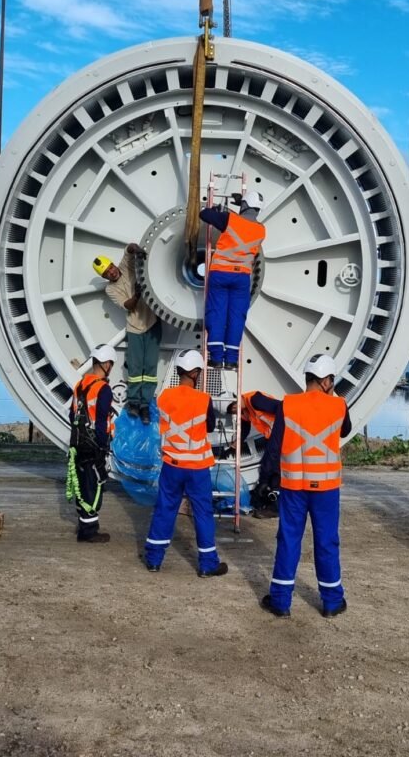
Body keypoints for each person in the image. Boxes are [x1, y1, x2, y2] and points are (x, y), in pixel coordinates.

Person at [259, 354, 351, 618]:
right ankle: (332, 602)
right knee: (327, 542)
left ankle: (280, 602)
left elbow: (274, 447)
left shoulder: (288, 404)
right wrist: (332, 398)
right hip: (326, 490)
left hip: (294, 487)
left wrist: (265, 480)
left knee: (288, 540)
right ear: (327, 381)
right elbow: (345, 430)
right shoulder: (339, 406)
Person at [144, 349, 228, 578]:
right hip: (197, 468)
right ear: (195, 373)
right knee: (202, 513)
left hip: (172, 464)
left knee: (165, 508)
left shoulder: (164, 397)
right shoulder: (203, 399)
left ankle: (153, 559)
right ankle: (207, 564)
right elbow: (209, 426)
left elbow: (163, 421)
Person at [93, 243, 161, 424]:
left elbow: (128, 250)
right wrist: (137, 295)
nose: (112, 272)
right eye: (107, 273)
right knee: (136, 368)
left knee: (150, 368)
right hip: (135, 328)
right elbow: (129, 305)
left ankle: (145, 405)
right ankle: (134, 403)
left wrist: (136, 249)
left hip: (152, 323)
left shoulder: (125, 267)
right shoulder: (110, 289)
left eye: (111, 268)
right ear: (104, 277)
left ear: (114, 265)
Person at [200, 190, 266, 370]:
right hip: (242, 278)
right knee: (237, 317)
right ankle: (231, 360)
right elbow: (246, 223)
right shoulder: (261, 230)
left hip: (221, 274)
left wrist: (216, 209)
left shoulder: (229, 219)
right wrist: (240, 205)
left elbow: (204, 215)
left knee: (217, 314)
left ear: (244, 205)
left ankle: (216, 358)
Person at [65, 344, 116, 543]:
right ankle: (89, 530)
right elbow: (102, 419)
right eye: (111, 364)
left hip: (77, 442)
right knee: (93, 485)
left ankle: (83, 523)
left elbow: (72, 414)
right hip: (94, 444)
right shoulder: (103, 389)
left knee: (81, 482)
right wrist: (103, 446)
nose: (111, 367)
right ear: (105, 364)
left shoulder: (80, 385)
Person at [227, 390, 281, 517]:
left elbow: (281, 407)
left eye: (235, 407)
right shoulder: (245, 411)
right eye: (233, 411)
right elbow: (245, 428)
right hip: (273, 437)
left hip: (280, 435)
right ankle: (271, 503)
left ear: (237, 399)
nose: (236, 410)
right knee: (270, 468)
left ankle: (274, 507)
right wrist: (237, 442)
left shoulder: (255, 400)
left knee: (272, 468)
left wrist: (279, 430)